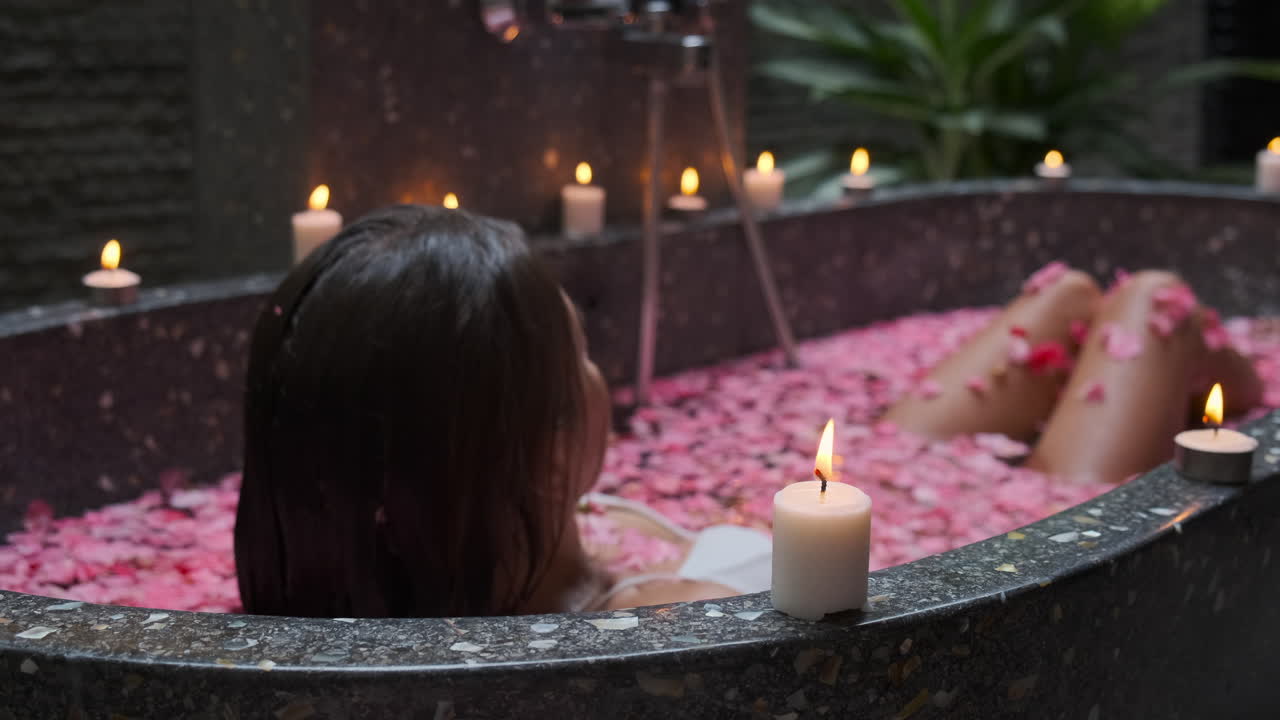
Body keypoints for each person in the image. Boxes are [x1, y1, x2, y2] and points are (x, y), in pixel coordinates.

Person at [235, 205, 752, 618]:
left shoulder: (311, 616)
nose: (599, 374)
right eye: (583, 353)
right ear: (552, 454)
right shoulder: (695, 615)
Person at [884, 263, 1263, 483]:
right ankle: (1204, 367)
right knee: (1152, 295)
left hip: (883, 481)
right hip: (1058, 507)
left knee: (1068, 293)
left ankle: (1193, 363)